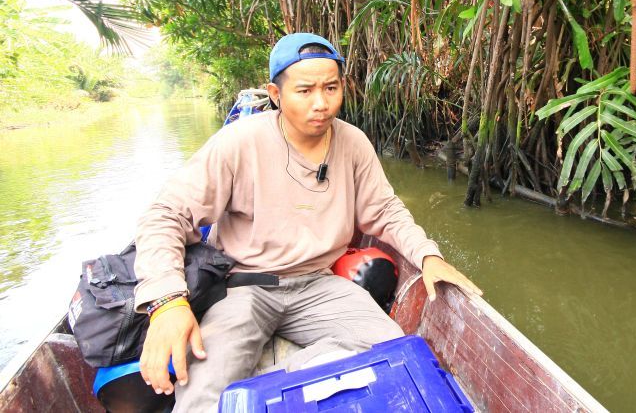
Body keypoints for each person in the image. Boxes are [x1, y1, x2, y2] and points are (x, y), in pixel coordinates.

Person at [134, 32, 481, 411]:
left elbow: (385, 211)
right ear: (276, 93)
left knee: (390, 348)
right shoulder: (239, 141)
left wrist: (428, 255)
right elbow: (166, 214)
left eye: (331, 88)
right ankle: (270, 384)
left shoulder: (353, 143)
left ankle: (271, 385)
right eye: (305, 91)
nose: (321, 104)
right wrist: (167, 303)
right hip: (244, 285)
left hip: (319, 284)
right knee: (201, 393)